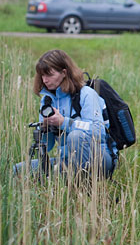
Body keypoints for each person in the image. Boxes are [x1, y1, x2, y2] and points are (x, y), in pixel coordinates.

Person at [14, 49, 115, 177]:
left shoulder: (86, 94)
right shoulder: (48, 100)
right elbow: (48, 146)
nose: (45, 80)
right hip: (67, 161)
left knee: (76, 137)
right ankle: (66, 178)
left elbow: (98, 131)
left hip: (100, 159)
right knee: (18, 170)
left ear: (64, 73)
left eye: (49, 75)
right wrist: (45, 128)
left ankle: (82, 186)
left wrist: (64, 122)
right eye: (42, 76)